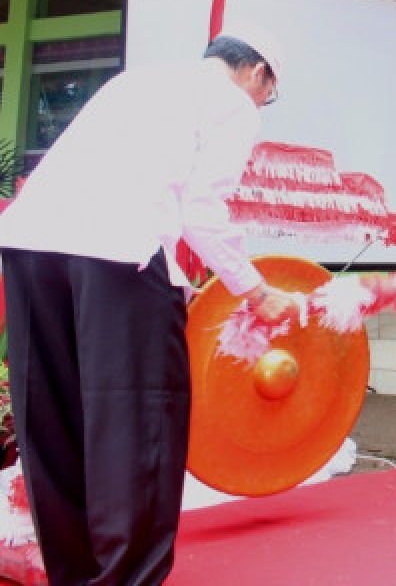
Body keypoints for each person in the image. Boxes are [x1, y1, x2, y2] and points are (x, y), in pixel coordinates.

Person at [0, 30, 304, 585]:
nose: (263, 103)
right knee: (136, 427)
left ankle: (75, 574)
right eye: (269, 93)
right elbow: (203, 213)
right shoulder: (232, 103)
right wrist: (257, 292)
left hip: (29, 246)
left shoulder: (134, 81)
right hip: (119, 255)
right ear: (257, 72)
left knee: (54, 420)